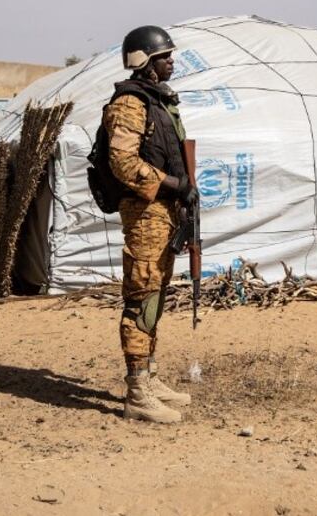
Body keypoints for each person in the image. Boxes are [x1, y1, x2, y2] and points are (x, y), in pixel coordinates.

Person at [103, 25, 197, 424]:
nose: (172, 61)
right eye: (165, 56)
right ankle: (137, 391)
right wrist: (173, 184)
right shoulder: (129, 103)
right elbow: (122, 164)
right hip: (146, 213)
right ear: (143, 60)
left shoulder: (159, 101)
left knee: (155, 295)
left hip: (165, 212)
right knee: (142, 295)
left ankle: (150, 374)